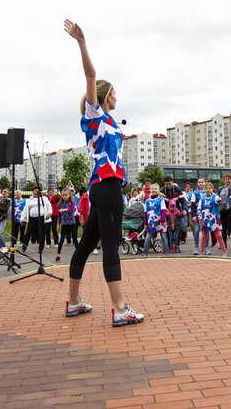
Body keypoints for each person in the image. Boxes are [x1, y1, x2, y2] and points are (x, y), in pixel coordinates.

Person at [63, 18, 143, 326]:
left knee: (86, 245)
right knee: (110, 244)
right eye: (114, 94)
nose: (116, 98)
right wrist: (82, 42)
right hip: (107, 186)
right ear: (106, 95)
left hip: (102, 188)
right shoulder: (94, 115)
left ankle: (73, 303)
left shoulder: (109, 121)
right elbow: (90, 74)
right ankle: (120, 308)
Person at [197, 181, 227, 256]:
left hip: (214, 219)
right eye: (206, 188)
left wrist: (219, 200)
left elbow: (218, 201)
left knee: (218, 235)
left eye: (209, 188)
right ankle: (201, 252)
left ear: (212, 189)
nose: (208, 190)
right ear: (204, 189)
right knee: (204, 236)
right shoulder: (202, 198)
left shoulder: (215, 196)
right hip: (205, 220)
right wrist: (200, 219)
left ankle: (224, 251)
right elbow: (199, 209)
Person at [142, 183, 169, 257]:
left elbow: (163, 210)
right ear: (150, 190)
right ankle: (145, 252)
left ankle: (165, 252)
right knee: (148, 237)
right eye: (152, 189)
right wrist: (145, 224)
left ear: (158, 190)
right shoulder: (147, 201)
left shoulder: (161, 199)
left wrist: (163, 220)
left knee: (163, 237)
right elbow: (145, 213)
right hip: (151, 222)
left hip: (160, 221)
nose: (154, 190)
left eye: (155, 189)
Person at [217, 173, 231, 252]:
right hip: (222, 209)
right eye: (226, 179)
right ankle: (224, 244)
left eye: (229, 179)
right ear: (224, 180)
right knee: (223, 228)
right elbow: (217, 196)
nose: (227, 180)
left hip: (230, 209)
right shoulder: (220, 188)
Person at [55, 188, 79, 262]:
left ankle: (79, 254)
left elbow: (71, 209)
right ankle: (58, 255)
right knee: (62, 239)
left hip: (71, 222)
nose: (65, 197)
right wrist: (58, 225)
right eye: (63, 195)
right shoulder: (60, 204)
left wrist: (64, 210)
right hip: (64, 223)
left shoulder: (71, 202)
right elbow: (59, 215)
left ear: (69, 195)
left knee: (74, 238)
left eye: (66, 195)